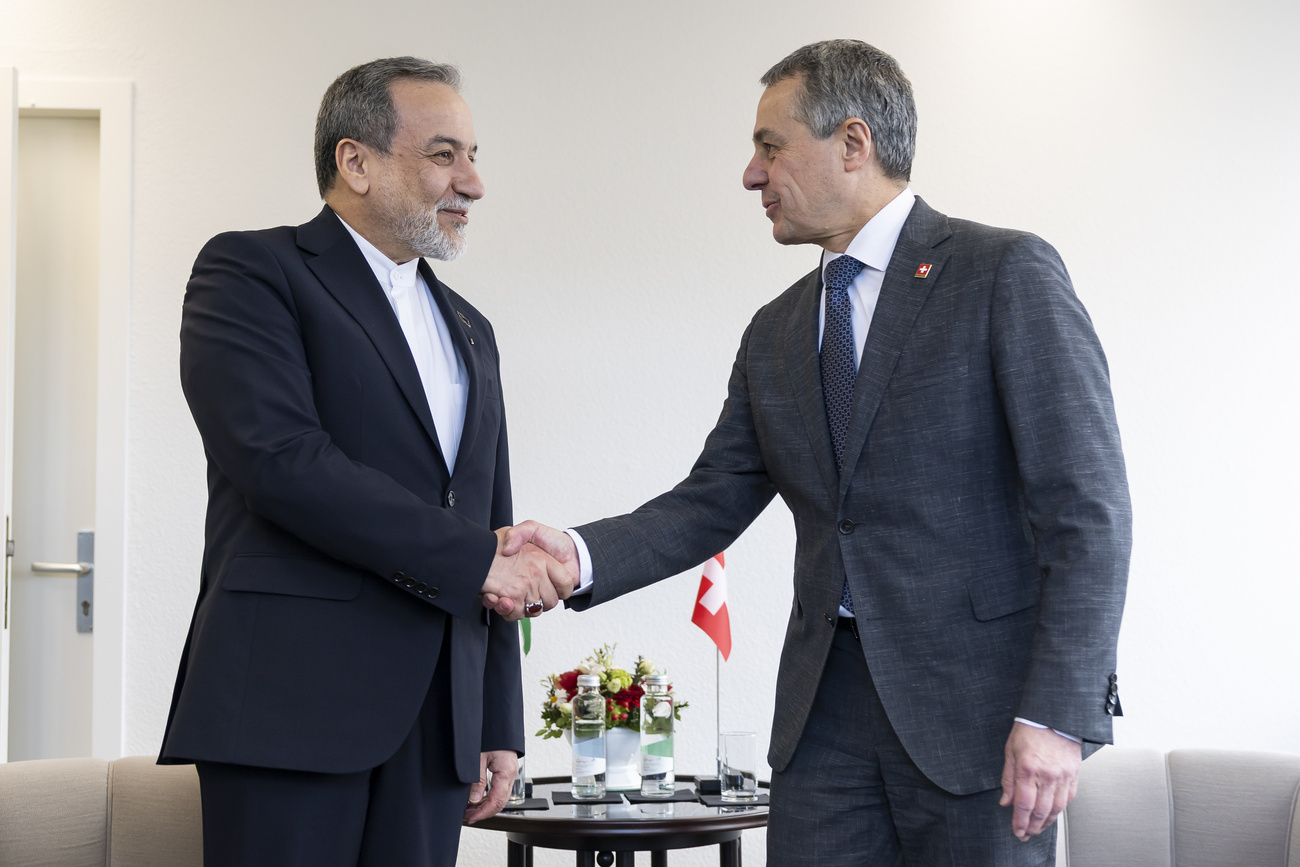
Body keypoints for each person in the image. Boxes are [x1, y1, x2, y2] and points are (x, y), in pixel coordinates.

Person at [504, 39, 1130, 866]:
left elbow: (1087, 510)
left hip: (978, 718)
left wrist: (1054, 715)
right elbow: (712, 497)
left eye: (770, 146)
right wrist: (574, 555)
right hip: (823, 720)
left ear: (854, 142)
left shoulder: (1002, 273)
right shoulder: (776, 330)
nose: (751, 175)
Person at [159, 57, 571, 867]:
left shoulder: (472, 328)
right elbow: (281, 461)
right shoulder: (252, 271)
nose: (473, 183)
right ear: (355, 162)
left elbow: (487, 513)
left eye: (475, 156)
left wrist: (495, 720)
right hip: (288, 705)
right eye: (446, 155)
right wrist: (476, 560)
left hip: (435, 724)